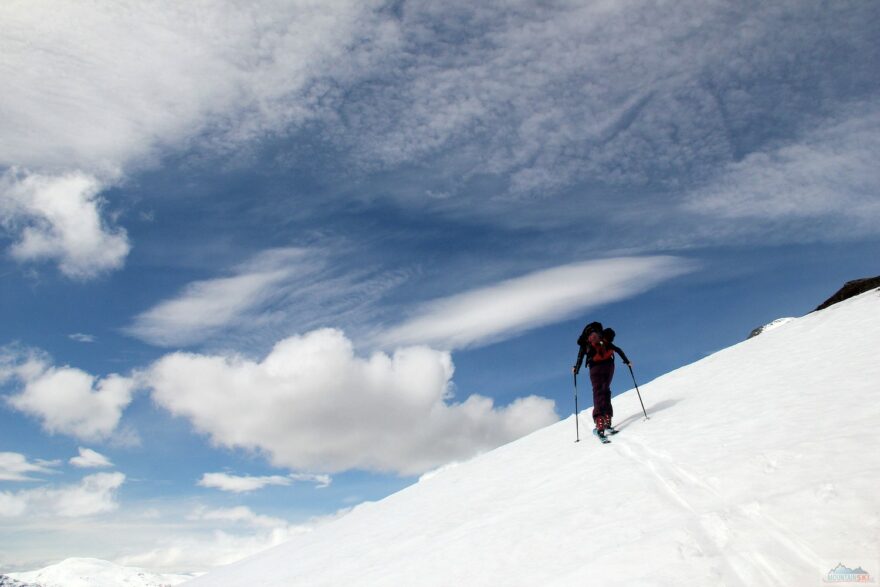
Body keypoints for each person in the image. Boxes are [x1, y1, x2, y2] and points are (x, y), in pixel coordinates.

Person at [573, 326, 630, 440]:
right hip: (609, 366)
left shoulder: (586, 342)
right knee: (605, 390)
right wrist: (627, 361)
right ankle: (607, 419)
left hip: (595, 368)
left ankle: (599, 423)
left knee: (598, 392)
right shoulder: (604, 338)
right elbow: (617, 349)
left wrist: (576, 369)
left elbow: (580, 357)